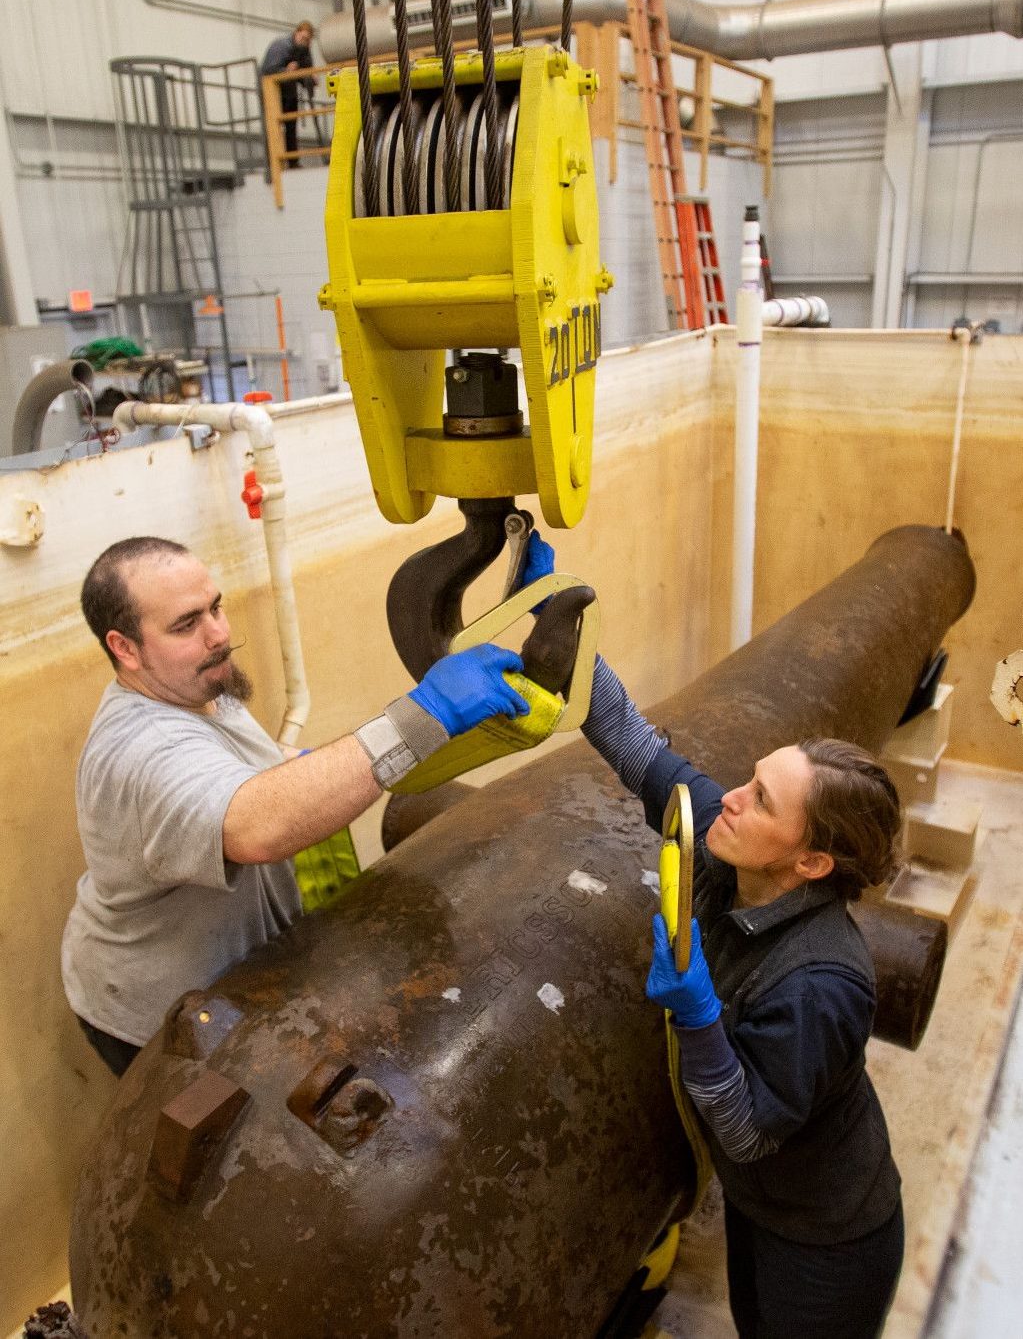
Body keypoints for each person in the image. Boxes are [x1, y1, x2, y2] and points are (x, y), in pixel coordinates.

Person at [524, 532, 905, 1339]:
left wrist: (698, 1017)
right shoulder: (726, 848)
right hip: (759, 1205)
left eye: (761, 799)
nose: (729, 798)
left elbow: (746, 1129)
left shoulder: (822, 984)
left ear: (808, 861)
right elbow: (641, 753)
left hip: (828, 1233)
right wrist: (569, 646)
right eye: (748, 781)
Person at [62, 536, 529, 1076]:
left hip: (240, 969)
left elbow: (244, 765)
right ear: (124, 648)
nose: (218, 634)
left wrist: (304, 764)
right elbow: (257, 828)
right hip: (157, 1011)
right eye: (185, 624)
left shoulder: (194, 684)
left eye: (215, 607)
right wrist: (426, 715)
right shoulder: (142, 750)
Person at [260, 20, 316, 167]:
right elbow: (267, 72)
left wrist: (309, 78)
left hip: (289, 93)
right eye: (303, 38)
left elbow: (304, 71)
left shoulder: (303, 50)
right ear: (296, 33)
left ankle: (293, 161)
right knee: (274, 127)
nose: (305, 43)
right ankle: (274, 164)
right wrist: (286, 71)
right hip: (274, 95)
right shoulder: (280, 47)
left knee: (291, 125)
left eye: (308, 40)